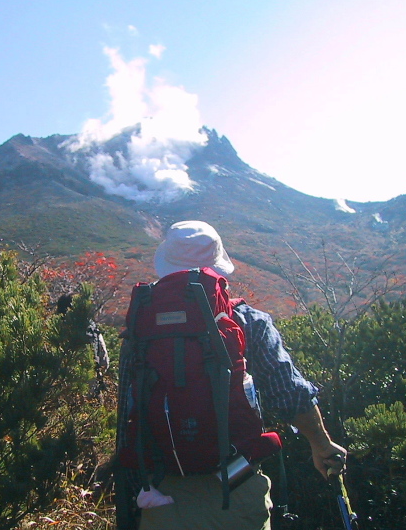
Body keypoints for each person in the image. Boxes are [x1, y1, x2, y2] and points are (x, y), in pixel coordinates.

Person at [115, 220, 347, 530]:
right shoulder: (247, 320)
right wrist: (322, 444)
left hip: (159, 490)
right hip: (236, 488)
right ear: (218, 264)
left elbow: (129, 409)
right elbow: (290, 394)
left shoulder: (141, 325)